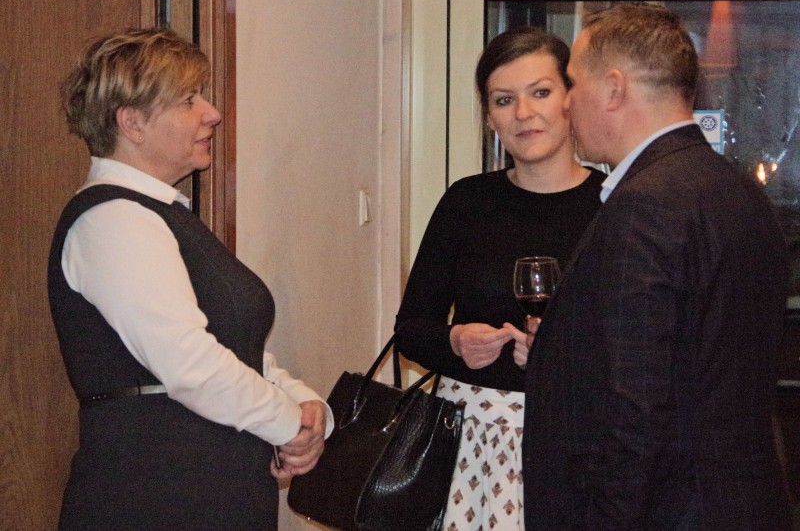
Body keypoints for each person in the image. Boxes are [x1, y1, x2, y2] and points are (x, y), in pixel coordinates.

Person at [48, 28, 333, 530]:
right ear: (132, 122)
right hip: (155, 495)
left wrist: (308, 410)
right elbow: (189, 362)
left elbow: (232, 346)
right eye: (188, 100)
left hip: (207, 489)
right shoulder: (113, 219)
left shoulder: (161, 213)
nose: (211, 113)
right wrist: (289, 423)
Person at [522, 3, 792, 530]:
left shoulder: (643, 206)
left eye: (573, 83)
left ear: (614, 88)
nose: (567, 102)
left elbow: (634, 411)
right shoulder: (742, 194)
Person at [394, 27, 605, 530]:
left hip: (577, 442)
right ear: (489, 117)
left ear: (570, 99)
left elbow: (639, 347)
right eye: (504, 100)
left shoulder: (612, 207)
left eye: (541, 92)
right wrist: (454, 341)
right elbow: (410, 329)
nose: (524, 114)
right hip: (467, 444)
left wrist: (559, 356)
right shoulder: (466, 202)